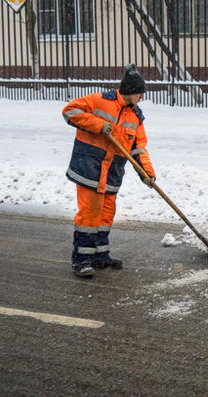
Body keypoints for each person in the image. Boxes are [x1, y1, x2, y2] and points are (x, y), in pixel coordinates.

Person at [62, 64, 156, 278]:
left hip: (113, 171)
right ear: (132, 91)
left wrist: (147, 173)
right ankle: (81, 260)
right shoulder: (99, 101)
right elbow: (70, 111)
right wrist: (97, 124)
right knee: (90, 214)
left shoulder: (136, 117)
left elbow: (139, 148)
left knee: (106, 215)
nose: (142, 97)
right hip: (90, 167)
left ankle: (100, 255)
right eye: (140, 93)